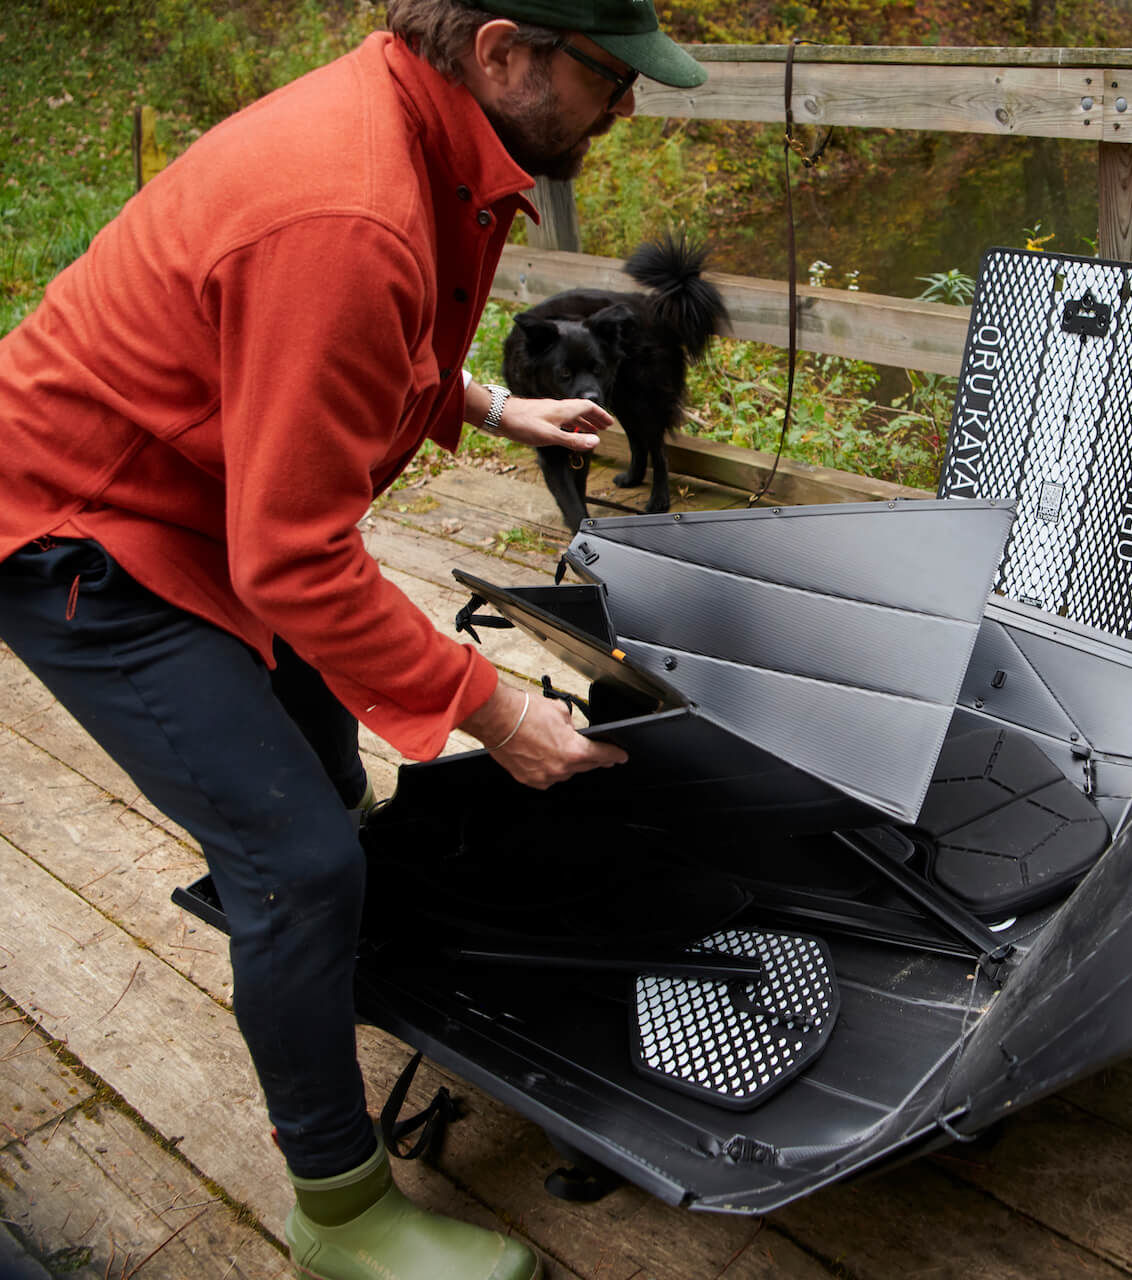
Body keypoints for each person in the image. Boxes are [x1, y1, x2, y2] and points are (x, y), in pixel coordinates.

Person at [0, 2, 708, 1276]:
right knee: (299, 859)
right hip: (84, 529)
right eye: (610, 76)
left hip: (215, 487)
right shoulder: (349, 204)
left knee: (326, 772)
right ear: (501, 52)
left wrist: (491, 404)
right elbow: (298, 556)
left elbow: (345, 342)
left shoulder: (424, 130)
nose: (628, 107)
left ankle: (339, 979)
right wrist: (492, 706)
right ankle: (341, 1212)